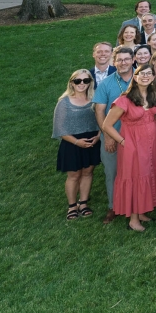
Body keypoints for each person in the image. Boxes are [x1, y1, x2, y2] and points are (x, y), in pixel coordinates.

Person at [99, 64, 156, 231]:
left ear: (153, 77)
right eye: (141, 73)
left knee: (149, 173)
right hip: (133, 146)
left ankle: (142, 211)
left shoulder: (153, 96)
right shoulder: (124, 99)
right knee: (137, 178)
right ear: (135, 77)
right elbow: (107, 125)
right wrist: (122, 142)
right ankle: (133, 220)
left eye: (149, 74)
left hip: (153, 143)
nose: (146, 76)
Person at [92, 46, 133, 223]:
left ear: (133, 60)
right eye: (119, 60)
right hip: (113, 135)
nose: (123, 62)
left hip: (136, 136)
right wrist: (107, 136)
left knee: (135, 172)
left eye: (126, 59)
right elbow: (99, 111)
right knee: (112, 172)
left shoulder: (140, 80)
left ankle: (136, 204)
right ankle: (113, 206)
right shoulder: (106, 84)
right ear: (114, 62)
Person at [53, 70, 101, 219]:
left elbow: (102, 119)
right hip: (72, 142)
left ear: (90, 82)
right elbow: (59, 128)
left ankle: (84, 203)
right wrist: (76, 141)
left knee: (88, 173)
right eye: (78, 81)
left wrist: (98, 136)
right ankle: (72, 206)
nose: (82, 84)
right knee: (74, 175)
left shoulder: (95, 99)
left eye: (85, 81)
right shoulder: (64, 102)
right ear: (71, 83)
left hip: (92, 140)